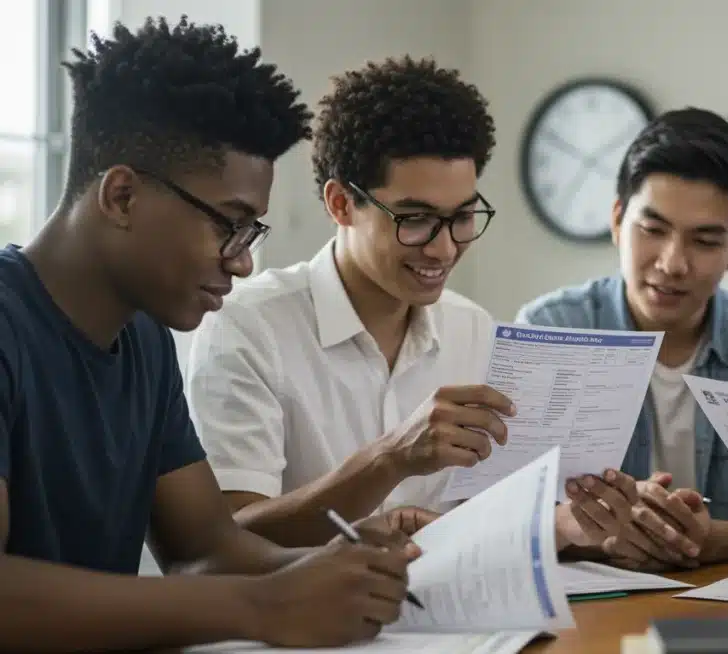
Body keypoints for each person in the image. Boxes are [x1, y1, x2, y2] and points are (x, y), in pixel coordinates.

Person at [0, 17, 426, 651]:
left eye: (252, 232)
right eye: (229, 225)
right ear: (122, 197)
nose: (243, 262)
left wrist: (341, 567)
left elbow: (204, 548)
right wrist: (264, 605)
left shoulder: (144, 339)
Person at [186, 56, 635, 551]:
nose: (443, 249)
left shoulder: (473, 330)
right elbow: (229, 541)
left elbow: (485, 523)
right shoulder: (250, 326)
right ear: (341, 204)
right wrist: (390, 460)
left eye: (462, 217)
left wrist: (565, 524)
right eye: (415, 219)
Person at [517, 107, 728, 571]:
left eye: (705, 241)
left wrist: (713, 540)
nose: (672, 263)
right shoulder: (551, 329)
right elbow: (511, 511)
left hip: (727, 597)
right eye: (653, 230)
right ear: (617, 221)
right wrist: (596, 534)